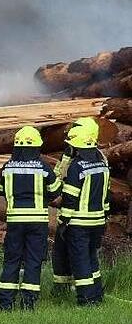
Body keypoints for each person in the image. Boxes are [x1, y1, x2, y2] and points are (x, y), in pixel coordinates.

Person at [0, 126, 61, 311]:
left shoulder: (8, 167)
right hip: (37, 222)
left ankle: (5, 304)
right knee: (33, 260)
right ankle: (28, 303)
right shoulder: (44, 167)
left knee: (12, 259)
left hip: (15, 221)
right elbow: (56, 191)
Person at [56, 123, 111, 306]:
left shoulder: (77, 167)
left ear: (77, 146)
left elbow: (70, 198)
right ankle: (97, 295)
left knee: (80, 261)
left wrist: (63, 221)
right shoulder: (102, 164)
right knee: (92, 258)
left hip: (79, 223)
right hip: (98, 222)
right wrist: (105, 216)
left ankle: (86, 299)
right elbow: (107, 195)